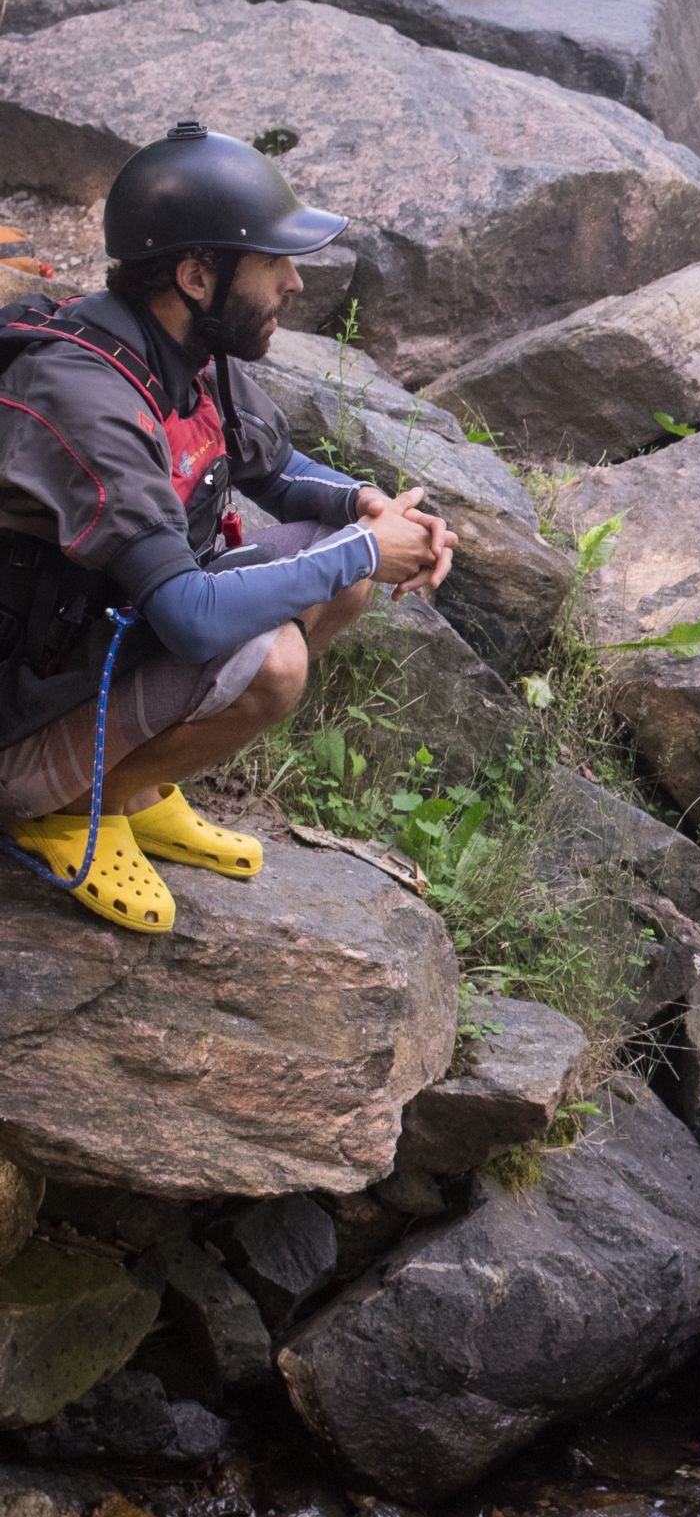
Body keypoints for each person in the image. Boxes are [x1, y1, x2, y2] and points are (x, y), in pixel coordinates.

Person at [0, 122, 453, 933]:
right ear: (196, 275)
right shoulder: (87, 394)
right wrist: (365, 548)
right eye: (275, 262)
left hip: (90, 655)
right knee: (273, 661)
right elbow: (188, 615)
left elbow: (275, 469)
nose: (295, 285)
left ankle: (131, 789)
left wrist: (367, 509)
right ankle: (60, 809)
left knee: (343, 572)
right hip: (17, 720)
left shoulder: (187, 349)